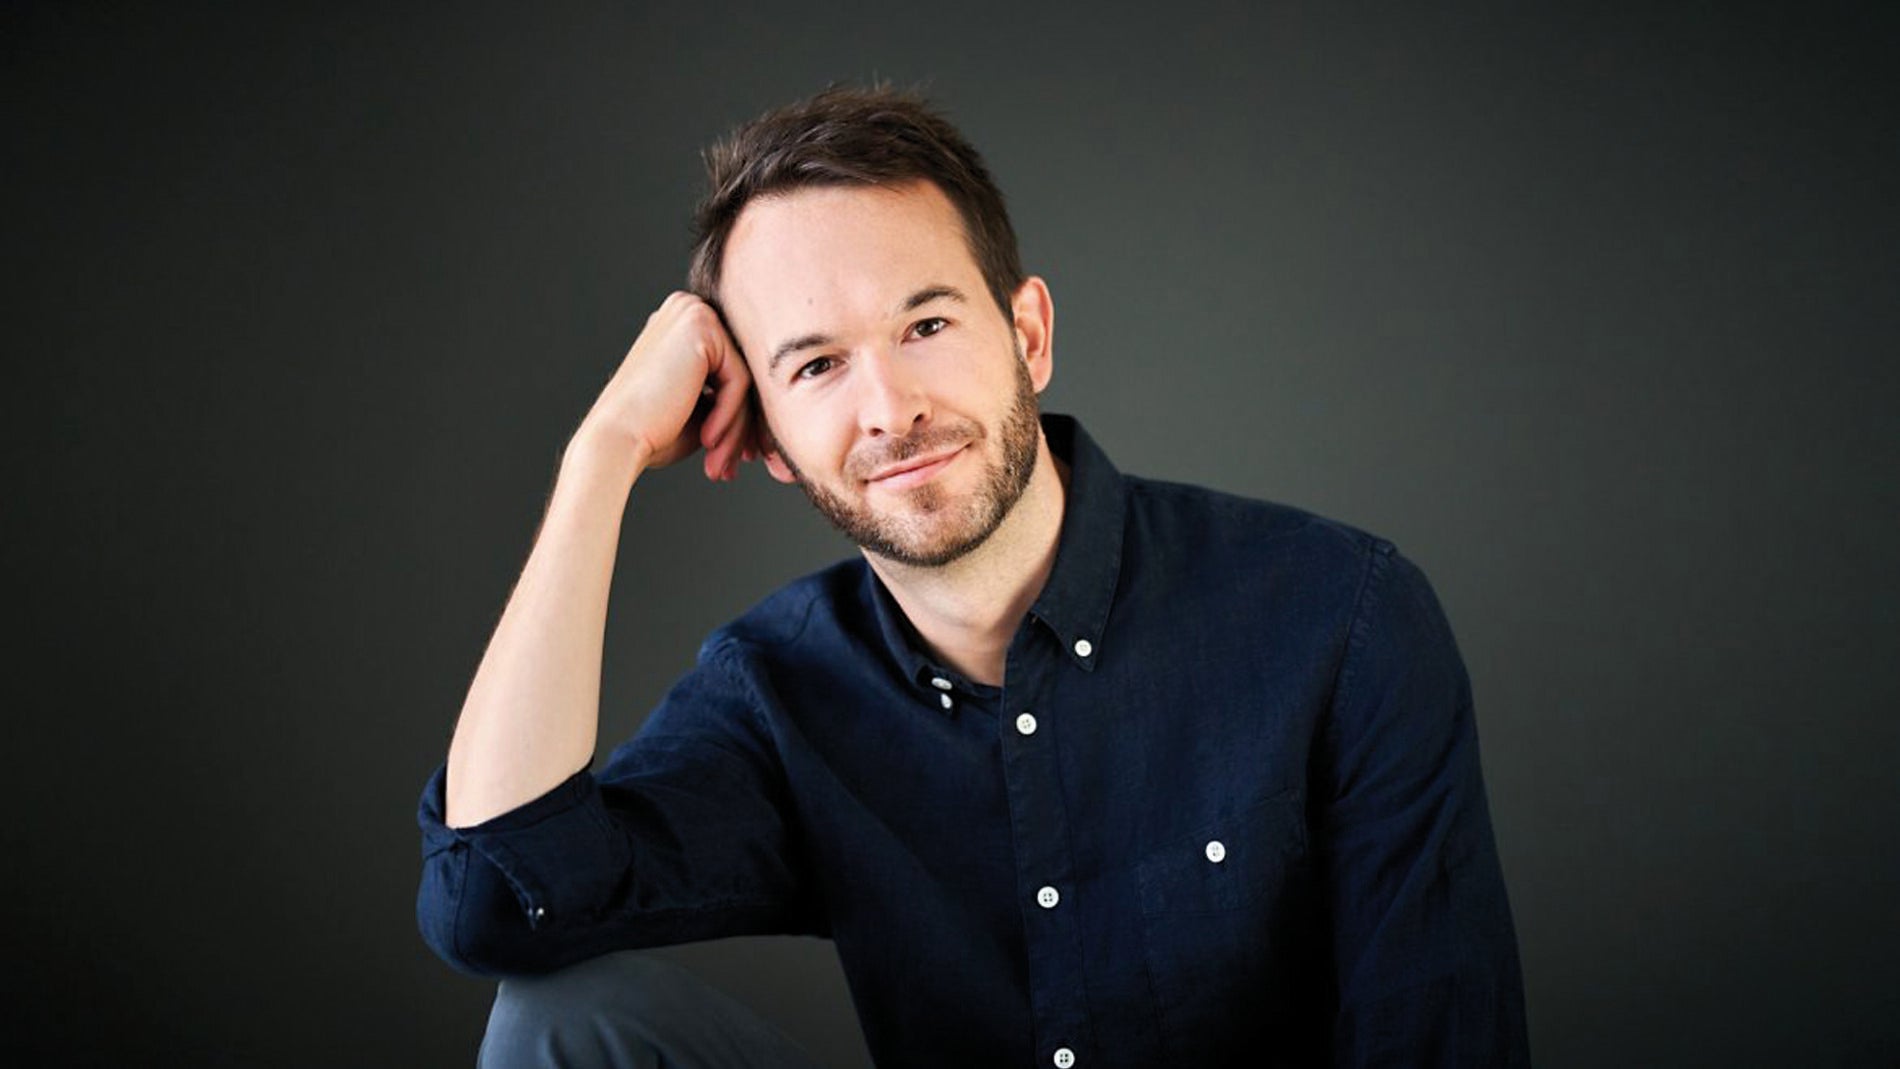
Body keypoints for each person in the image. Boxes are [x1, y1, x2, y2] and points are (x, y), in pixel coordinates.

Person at [417, 85, 1530, 1068]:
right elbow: (495, 901)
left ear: (1028, 335)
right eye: (817, 364)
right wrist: (602, 454)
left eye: (927, 323)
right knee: (561, 1023)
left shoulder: (1339, 617)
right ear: (766, 439)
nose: (888, 408)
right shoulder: (778, 690)